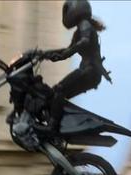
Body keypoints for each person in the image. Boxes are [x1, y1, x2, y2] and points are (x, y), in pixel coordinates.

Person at [42, 0, 111, 134]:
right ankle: (59, 123)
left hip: (89, 70)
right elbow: (66, 51)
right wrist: (44, 54)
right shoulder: (80, 29)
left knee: (59, 90)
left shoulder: (85, 25)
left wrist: (68, 52)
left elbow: (83, 42)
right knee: (58, 96)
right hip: (90, 73)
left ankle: (53, 127)